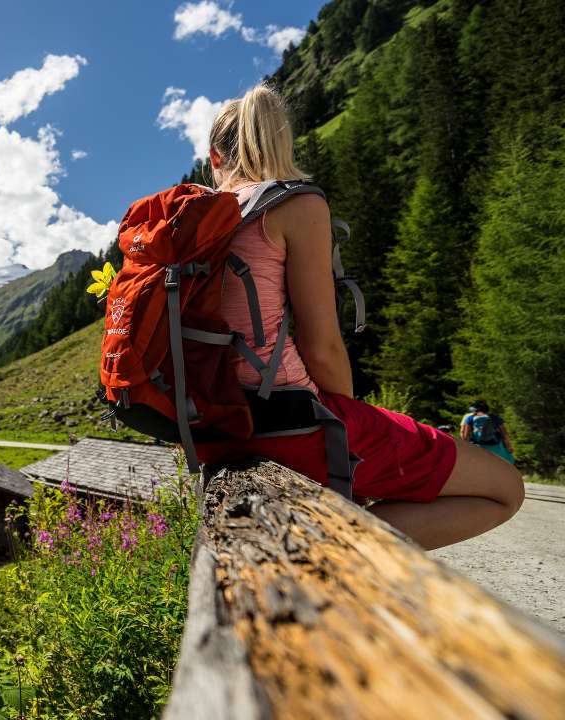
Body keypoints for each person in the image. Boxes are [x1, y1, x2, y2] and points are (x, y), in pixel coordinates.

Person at [194, 85, 522, 550]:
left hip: (209, 430)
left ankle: (330, 538)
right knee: (505, 489)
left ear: (216, 157)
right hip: (288, 421)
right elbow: (323, 348)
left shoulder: (193, 226)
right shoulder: (297, 205)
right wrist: (348, 421)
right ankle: (335, 547)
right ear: (282, 142)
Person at [461, 400, 516, 465]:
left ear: (475, 409)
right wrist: (509, 447)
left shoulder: (470, 418)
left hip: (479, 447)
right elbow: (505, 434)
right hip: (495, 446)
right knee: (508, 462)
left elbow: (466, 436)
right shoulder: (494, 417)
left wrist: (467, 449)